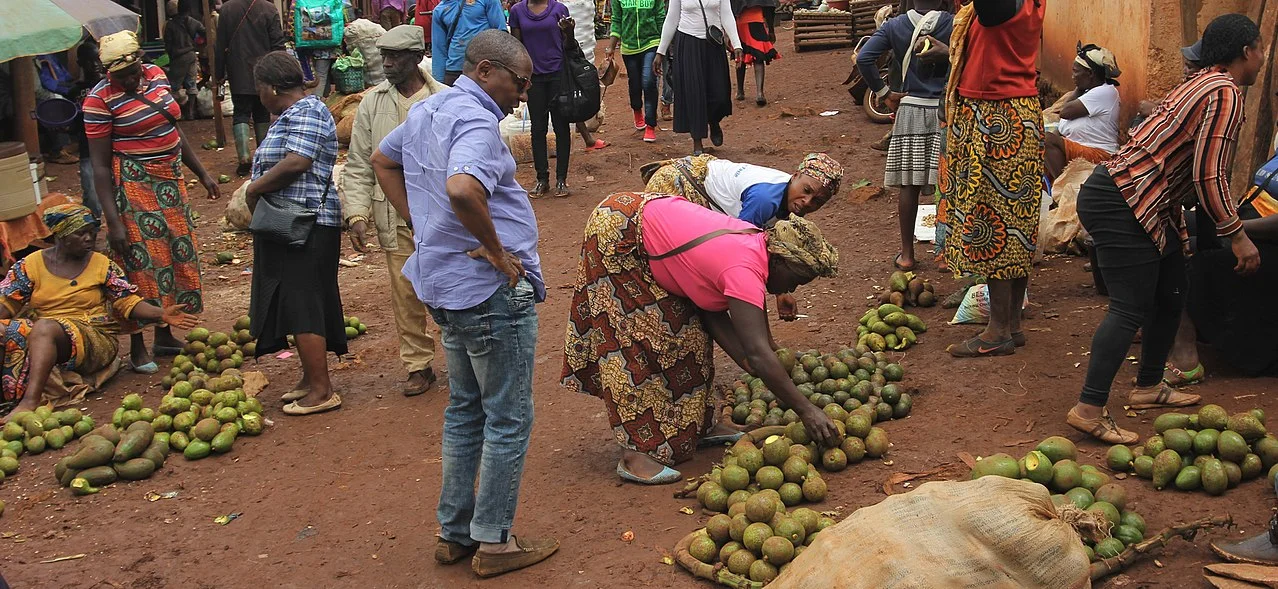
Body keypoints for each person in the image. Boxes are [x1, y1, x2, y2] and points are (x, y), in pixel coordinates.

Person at [370, 30, 558, 577]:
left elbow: (385, 161)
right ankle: (494, 544)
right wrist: (499, 254)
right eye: (519, 82)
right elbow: (461, 188)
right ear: (484, 71)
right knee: (508, 417)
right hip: (485, 290)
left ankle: (455, 533)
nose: (523, 94)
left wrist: (419, 225)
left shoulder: (431, 110)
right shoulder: (474, 120)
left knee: (465, 410)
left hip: (447, 286)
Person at [1064, 14, 1265, 444]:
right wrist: (1239, 236)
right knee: (1129, 307)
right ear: (1246, 51)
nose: (1263, 58)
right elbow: (1208, 176)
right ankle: (1089, 408)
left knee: (1172, 290)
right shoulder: (1224, 92)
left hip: (1146, 202)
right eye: (1261, 49)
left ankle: (1149, 385)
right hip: (1123, 198)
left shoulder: (1204, 82)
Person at [562, 193, 842, 484]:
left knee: (691, 336)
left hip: (649, 225)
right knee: (641, 340)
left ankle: (700, 426)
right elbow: (759, 352)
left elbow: (710, 310)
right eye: (794, 280)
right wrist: (807, 410)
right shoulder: (744, 268)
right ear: (780, 261)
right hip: (620, 234)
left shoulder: (756, 246)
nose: (792, 288)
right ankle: (635, 454)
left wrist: (752, 363)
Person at [83, 31, 218, 374]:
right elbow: (99, 167)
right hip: (134, 186)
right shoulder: (98, 102)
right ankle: (138, 345)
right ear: (108, 73)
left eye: (133, 73)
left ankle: (165, 334)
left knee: (174, 256)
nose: (129, 80)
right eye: (121, 77)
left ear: (141, 63)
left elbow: (173, 128)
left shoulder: (156, 76)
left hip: (171, 182)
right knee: (140, 264)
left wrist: (202, 173)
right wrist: (112, 221)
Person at [0, 205, 199, 420]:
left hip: (95, 338)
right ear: (61, 235)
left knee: (45, 327)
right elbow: (6, 304)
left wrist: (161, 314)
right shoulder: (30, 265)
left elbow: (127, 301)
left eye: (92, 233)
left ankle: (30, 401)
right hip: (45, 336)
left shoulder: (101, 265)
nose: (89, 239)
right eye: (81, 233)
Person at [933, 0, 1044, 357]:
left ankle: (997, 332)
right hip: (1013, 112)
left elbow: (990, 12)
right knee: (1016, 223)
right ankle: (1012, 324)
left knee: (993, 222)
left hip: (996, 119)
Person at [344, 25, 447, 397]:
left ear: (417, 58)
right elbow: (358, 163)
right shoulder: (372, 103)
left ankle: (461, 357)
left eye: (395, 57)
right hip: (395, 215)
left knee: (447, 289)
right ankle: (418, 365)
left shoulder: (444, 99)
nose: (386, 64)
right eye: (383, 56)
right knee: (405, 294)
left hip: (440, 216)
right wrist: (356, 212)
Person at [244, 52, 346, 416]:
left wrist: (254, 190)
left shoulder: (308, 111)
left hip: (309, 223)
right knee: (295, 298)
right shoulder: (289, 116)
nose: (259, 95)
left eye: (259, 88)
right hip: (294, 224)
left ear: (272, 87)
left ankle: (322, 390)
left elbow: (298, 161)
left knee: (304, 301)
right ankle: (309, 378)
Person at [856, 0, 951, 271]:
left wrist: (884, 93)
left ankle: (907, 255)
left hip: (910, 107)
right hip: (946, 110)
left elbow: (864, 58)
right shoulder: (954, 23)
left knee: (909, 184)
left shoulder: (894, 25)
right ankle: (945, 253)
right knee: (947, 184)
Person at [654, 0, 742, 154]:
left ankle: (714, 121)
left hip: (713, 44)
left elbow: (726, 14)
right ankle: (697, 142)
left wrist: (737, 44)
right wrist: (661, 51)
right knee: (694, 93)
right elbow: (672, 18)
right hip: (688, 44)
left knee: (720, 92)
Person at [509, 0, 576, 197]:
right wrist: (521, 79)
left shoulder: (559, 10)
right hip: (534, 78)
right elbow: (517, 49)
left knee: (561, 127)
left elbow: (568, 46)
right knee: (537, 128)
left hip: (558, 74)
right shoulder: (517, 12)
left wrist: (569, 31)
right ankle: (542, 179)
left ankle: (561, 180)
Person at [216, 0, 287, 177]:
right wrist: (280, 70)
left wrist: (218, 73)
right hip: (264, 71)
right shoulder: (269, 8)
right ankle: (264, 157)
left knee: (241, 112)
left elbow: (220, 45)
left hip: (237, 69)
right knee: (262, 112)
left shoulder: (226, 9)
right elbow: (278, 43)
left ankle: (244, 157)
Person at [1044, 43, 1122, 181]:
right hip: (1082, 149)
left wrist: (1078, 88)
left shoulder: (1105, 92)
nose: (1073, 76)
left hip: (1098, 154)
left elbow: (1065, 112)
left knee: (1046, 140)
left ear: (1090, 73)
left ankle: (1061, 185)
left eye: (1076, 71)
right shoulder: (1091, 91)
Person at [602, 0, 666, 142]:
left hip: (651, 43)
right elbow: (617, 20)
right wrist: (611, 46)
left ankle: (650, 124)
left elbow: (660, 18)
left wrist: (664, 47)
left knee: (649, 81)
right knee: (635, 84)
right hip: (629, 47)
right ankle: (637, 109)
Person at [431, 0, 508, 85]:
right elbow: (439, 49)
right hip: (454, 69)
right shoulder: (439, 10)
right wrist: (438, 84)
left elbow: (500, 33)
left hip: (484, 67)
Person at [163, 0, 206, 120]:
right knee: (191, 83)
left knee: (175, 86)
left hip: (178, 57)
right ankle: (191, 112)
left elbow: (168, 44)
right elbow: (204, 32)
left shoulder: (170, 25)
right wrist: (199, 44)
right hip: (191, 54)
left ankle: (177, 111)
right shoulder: (192, 22)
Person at [732, 0, 778, 106]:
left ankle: (740, 91)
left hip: (740, 22)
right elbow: (769, 6)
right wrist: (771, 29)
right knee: (759, 56)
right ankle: (759, 93)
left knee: (740, 55)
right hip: (756, 20)